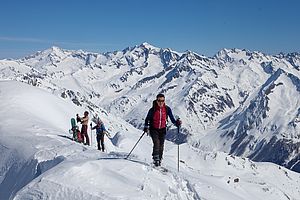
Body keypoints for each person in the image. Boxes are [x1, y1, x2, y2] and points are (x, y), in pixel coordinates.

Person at [144, 93, 182, 166]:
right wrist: (146, 127)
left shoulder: (167, 109)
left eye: (162, 100)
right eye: (159, 100)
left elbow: (172, 119)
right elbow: (147, 119)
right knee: (157, 143)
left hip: (163, 129)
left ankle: (159, 159)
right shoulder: (153, 110)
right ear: (157, 101)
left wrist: (177, 123)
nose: (161, 102)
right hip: (153, 129)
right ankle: (156, 159)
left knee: (161, 145)